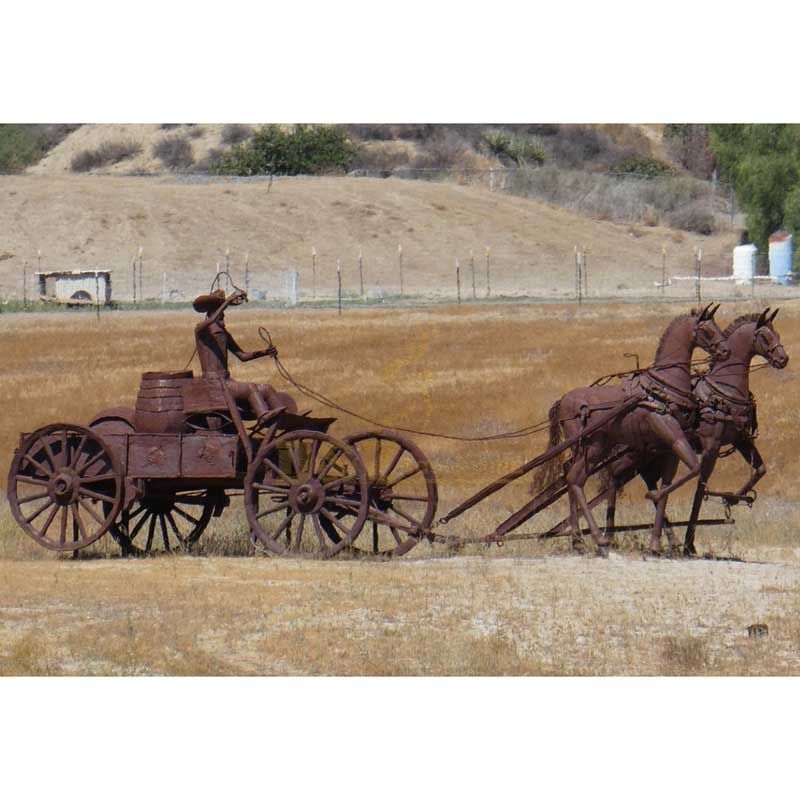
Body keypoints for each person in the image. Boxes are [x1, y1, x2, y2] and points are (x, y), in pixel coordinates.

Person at [192, 288, 295, 424]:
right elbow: (210, 321)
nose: (223, 315)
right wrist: (227, 301)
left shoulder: (224, 335)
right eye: (220, 311)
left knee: (267, 388)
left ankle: (284, 419)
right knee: (251, 387)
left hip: (227, 380)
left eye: (223, 311)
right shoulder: (201, 331)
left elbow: (242, 356)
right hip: (214, 383)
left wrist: (265, 352)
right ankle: (263, 416)